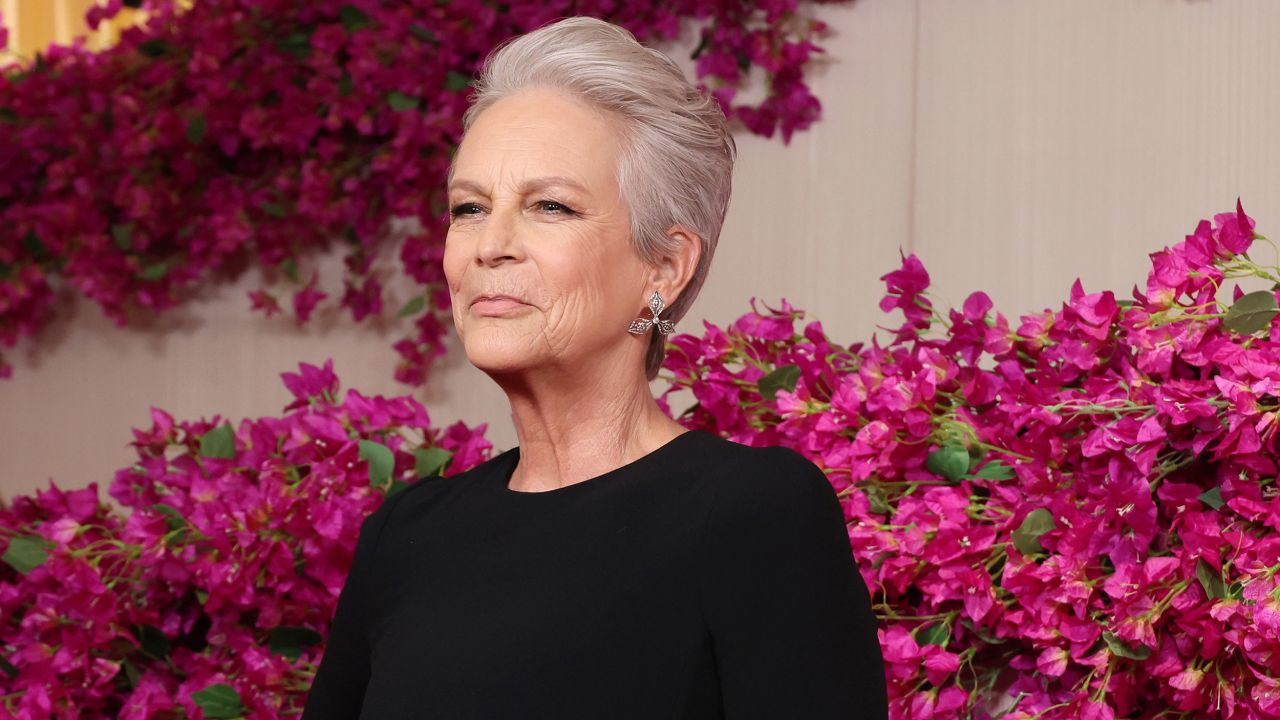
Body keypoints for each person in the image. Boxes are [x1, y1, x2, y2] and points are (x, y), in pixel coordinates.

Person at [301, 15, 887, 720]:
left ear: (664, 268)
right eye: (469, 207)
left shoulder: (753, 512)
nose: (492, 245)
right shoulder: (405, 537)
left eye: (550, 206)